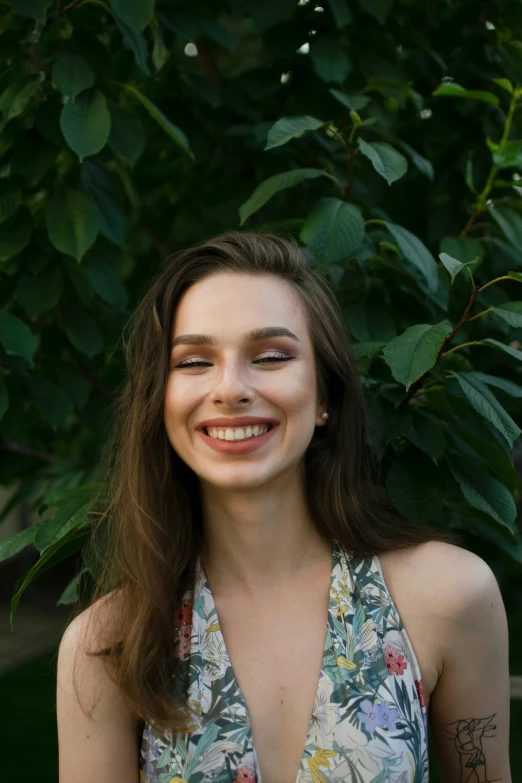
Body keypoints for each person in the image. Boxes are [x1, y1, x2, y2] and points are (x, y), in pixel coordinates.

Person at [56, 232, 511, 783]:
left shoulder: (449, 596)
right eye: (194, 361)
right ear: (161, 399)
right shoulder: (107, 644)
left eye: (271, 356)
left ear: (324, 395)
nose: (230, 389)